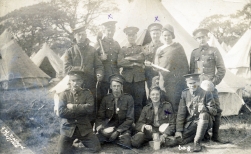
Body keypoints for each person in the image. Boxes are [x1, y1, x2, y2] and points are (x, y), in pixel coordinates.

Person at [190, 28, 227, 143]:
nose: (201, 39)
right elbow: (192, 71)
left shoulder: (214, 51)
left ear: (207, 37)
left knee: (217, 110)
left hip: (210, 87)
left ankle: (215, 136)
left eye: (203, 37)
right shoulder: (194, 52)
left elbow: (221, 69)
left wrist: (213, 82)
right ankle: (203, 135)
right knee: (199, 110)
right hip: (198, 87)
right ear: (196, 39)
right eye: (199, 38)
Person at [63, 26, 104, 125]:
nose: (81, 37)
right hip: (76, 85)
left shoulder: (92, 50)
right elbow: (66, 68)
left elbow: (99, 65)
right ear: (75, 36)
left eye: (83, 34)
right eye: (79, 35)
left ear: (86, 35)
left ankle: (90, 129)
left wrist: (99, 73)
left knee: (91, 106)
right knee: (77, 105)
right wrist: (81, 69)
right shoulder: (70, 51)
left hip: (91, 83)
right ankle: (77, 130)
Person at [166, 73, 217, 152]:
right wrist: (179, 130)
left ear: (198, 82)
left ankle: (197, 142)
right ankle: (202, 136)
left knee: (203, 115)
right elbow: (181, 113)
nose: (192, 85)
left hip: (206, 121)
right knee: (179, 140)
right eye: (190, 83)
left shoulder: (206, 93)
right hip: (192, 123)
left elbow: (214, 111)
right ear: (187, 84)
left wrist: (206, 108)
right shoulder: (185, 93)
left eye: (194, 83)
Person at [57, 70, 101, 154]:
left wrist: (73, 107)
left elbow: (90, 108)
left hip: (84, 127)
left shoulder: (87, 93)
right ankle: (73, 148)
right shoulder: (64, 94)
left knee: (96, 148)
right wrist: (81, 110)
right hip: (68, 127)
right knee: (61, 152)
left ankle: (77, 150)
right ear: (70, 81)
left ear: (82, 81)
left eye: (78, 80)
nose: (75, 83)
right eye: (73, 80)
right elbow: (61, 112)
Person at [154, 24, 189, 113]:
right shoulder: (159, 49)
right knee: (165, 103)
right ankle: (167, 123)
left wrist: (182, 79)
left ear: (172, 35)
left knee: (174, 102)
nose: (167, 38)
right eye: (165, 35)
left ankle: (176, 124)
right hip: (163, 80)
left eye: (169, 35)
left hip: (175, 81)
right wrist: (154, 67)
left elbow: (185, 65)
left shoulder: (178, 47)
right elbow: (156, 65)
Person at [95, 74, 134, 148]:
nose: (116, 88)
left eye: (118, 86)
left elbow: (130, 119)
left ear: (122, 87)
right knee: (96, 141)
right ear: (110, 87)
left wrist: (118, 131)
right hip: (109, 126)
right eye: (114, 86)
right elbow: (100, 117)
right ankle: (113, 139)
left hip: (123, 127)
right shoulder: (106, 99)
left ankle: (116, 138)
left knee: (126, 143)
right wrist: (102, 130)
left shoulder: (128, 98)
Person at [117, 26, 146, 121]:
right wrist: (134, 63)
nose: (131, 37)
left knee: (138, 102)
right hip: (127, 80)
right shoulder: (123, 49)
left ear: (136, 36)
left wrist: (128, 58)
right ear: (127, 37)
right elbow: (120, 62)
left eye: (133, 35)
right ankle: (128, 123)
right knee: (127, 102)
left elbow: (142, 58)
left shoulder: (141, 48)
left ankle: (138, 123)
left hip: (139, 79)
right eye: (129, 36)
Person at [96, 21, 121, 103]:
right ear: (104, 31)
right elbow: (92, 59)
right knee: (102, 98)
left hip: (114, 76)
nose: (110, 33)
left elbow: (120, 60)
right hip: (104, 76)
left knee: (114, 98)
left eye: (112, 31)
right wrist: (100, 58)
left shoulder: (116, 44)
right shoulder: (99, 43)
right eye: (108, 30)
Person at [143, 23, 163, 89]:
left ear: (160, 34)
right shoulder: (145, 47)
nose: (155, 35)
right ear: (150, 34)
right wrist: (145, 63)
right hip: (149, 74)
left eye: (157, 33)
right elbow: (143, 60)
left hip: (161, 74)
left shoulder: (164, 46)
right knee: (151, 91)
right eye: (153, 34)